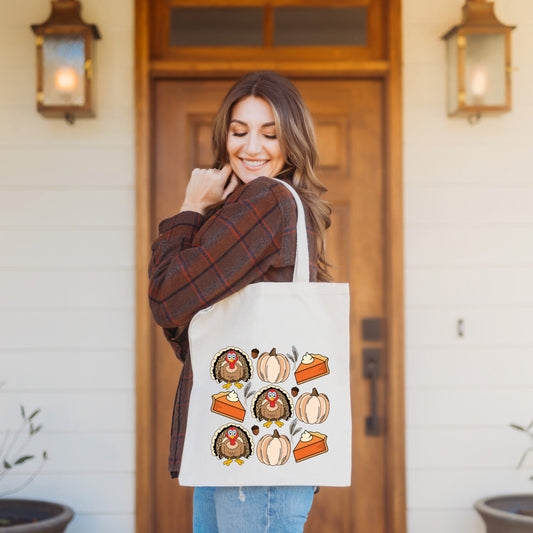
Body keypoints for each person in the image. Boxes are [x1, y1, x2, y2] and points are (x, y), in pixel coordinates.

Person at [149, 71, 331, 533]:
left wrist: (190, 207)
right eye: (239, 131)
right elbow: (192, 323)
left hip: (253, 444)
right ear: (224, 135)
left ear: (292, 142)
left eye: (270, 134)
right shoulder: (251, 207)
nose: (252, 147)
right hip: (233, 440)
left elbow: (168, 300)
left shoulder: (267, 201)